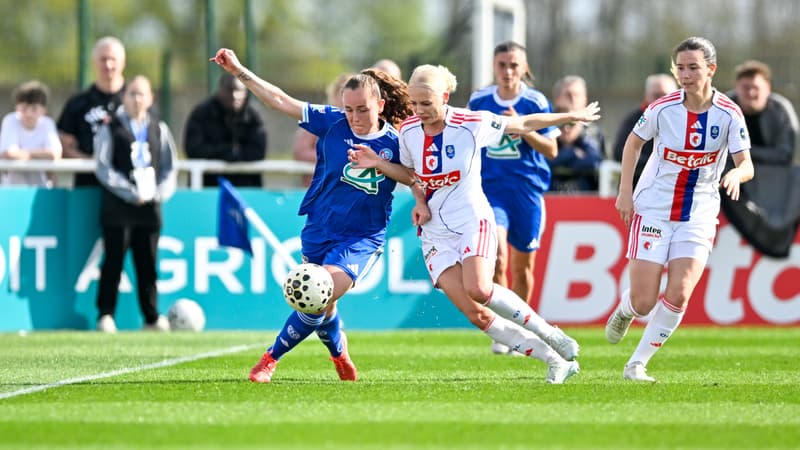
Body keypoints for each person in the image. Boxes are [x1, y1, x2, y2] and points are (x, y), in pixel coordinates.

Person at [350, 64, 601, 383]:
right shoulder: (410, 131)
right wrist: (390, 173)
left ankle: (550, 333)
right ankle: (554, 360)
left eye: (426, 103)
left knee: (480, 288)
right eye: (414, 104)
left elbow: (522, 123)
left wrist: (568, 117)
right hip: (434, 233)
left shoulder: (471, 123)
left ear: (445, 96)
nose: (419, 111)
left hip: (472, 220)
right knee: (476, 313)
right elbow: (412, 176)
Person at [210, 47, 414, 383]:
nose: (355, 117)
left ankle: (269, 359)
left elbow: (413, 177)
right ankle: (339, 353)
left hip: (361, 237)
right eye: (348, 109)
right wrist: (239, 71)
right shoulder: (333, 123)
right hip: (320, 226)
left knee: (315, 291)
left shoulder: (397, 141)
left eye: (362, 109)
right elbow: (280, 100)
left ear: (380, 105)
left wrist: (381, 165)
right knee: (323, 305)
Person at [604, 36, 754, 382]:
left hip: (699, 212)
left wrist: (735, 174)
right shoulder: (663, 108)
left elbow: (746, 163)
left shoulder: (729, 113)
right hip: (654, 208)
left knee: (681, 290)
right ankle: (627, 308)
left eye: (693, 68)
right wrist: (625, 191)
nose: (685, 75)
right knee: (644, 301)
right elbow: (633, 143)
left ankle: (637, 363)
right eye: (680, 68)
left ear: (711, 70)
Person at [467, 41, 559, 356]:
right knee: (497, 257)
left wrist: (522, 128)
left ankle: (522, 328)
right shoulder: (479, 100)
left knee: (522, 267)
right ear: (494, 67)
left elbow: (551, 150)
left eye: (514, 65)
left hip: (526, 191)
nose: (508, 71)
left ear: (524, 68)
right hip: (491, 191)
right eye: (502, 64)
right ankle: (503, 330)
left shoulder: (536, 101)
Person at [93, 75, 178, 333]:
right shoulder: (110, 126)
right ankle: (106, 315)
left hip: (149, 208)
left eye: (142, 94)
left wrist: (158, 193)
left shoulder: (159, 128)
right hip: (119, 207)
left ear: (151, 98)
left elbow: (169, 167)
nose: (137, 99)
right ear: (124, 97)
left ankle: (151, 317)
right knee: (113, 261)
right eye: (132, 94)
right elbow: (103, 166)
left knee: (148, 264)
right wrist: (130, 192)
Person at [719, 60, 800, 258]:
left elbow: (786, 154)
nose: (750, 94)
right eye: (745, 88)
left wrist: (745, 152)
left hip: (773, 180)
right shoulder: (722, 109)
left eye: (755, 88)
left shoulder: (781, 109)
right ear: (736, 87)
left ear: (767, 89)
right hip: (732, 178)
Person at [57, 36, 126, 187]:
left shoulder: (136, 101)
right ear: (94, 62)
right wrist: (89, 162)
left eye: (113, 59)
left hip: (127, 185)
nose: (108, 65)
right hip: (88, 184)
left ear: (123, 62)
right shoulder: (78, 103)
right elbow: (62, 146)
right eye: (103, 59)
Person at [184, 72, 268, 187]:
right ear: (220, 90)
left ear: (245, 92)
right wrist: (230, 151)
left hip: (246, 189)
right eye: (229, 90)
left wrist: (221, 153)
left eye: (238, 90)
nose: (234, 95)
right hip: (209, 188)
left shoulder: (253, 115)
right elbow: (194, 150)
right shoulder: (202, 112)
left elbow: (258, 152)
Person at [613, 74, 679, 189]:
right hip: (639, 183)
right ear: (646, 96)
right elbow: (619, 152)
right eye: (656, 95)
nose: (660, 100)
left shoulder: (683, 120)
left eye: (664, 95)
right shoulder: (634, 119)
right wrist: (656, 163)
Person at [292, 72, 354, 187]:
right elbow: (301, 152)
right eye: (342, 93)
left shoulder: (361, 123)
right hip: (318, 189)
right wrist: (338, 156)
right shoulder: (320, 117)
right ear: (334, 95)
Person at [548, 75, 605, 192]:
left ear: (585, 100)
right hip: (550, 194)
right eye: (568, 94)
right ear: (557, 98)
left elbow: (595, 161)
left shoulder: (591, 131)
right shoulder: (547, 126)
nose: (573, 99)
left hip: (585, 196)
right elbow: (541, 160)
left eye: (577, 95)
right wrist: (572, 153)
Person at [0, 80, 62, 186]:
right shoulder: (10, 120)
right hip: (12, 188)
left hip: (41, 187)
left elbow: (55, 154)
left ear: (44, 110)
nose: (28, 114)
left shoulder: (47, 123)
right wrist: (42, 154)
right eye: (24, 109)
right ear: (16, 107)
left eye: (34, 109)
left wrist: (21, 153)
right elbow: (8, 153)